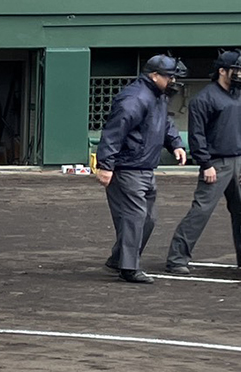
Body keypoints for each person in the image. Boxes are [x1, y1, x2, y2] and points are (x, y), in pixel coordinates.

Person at [95, 54, 188, 285]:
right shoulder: (134, 98)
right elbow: (114, 132)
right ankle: (128, 267)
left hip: (145, 166)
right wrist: (105, 166)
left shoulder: (158, 96)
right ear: (154, 75)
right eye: (169, 76)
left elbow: (165, 123)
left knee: (148, 218)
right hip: (127, 167)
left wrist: (175, 143)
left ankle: (118, 260)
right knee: (135, 216)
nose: (173, 81)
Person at [165, 49, 241, 275]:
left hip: (239, 161)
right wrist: (205, 164)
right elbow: (197, 135)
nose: (239, 74)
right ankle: (177, 258)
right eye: (236, 70)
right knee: (201, 211)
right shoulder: (205, 98)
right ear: (222, 71)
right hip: (216, 164)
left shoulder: (238, 95)